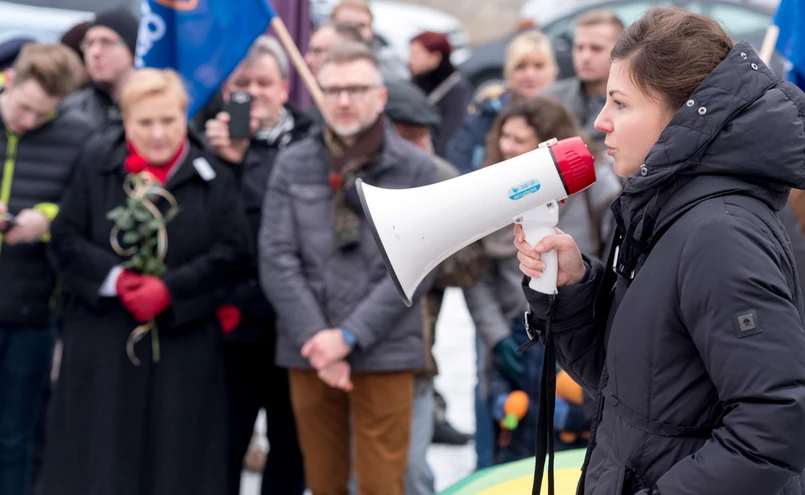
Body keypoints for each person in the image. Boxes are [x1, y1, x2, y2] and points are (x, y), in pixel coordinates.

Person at [516, 7, 805, 494]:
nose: (601, 121)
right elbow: (633, 392)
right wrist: (575, 289)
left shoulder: (721, 236)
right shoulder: (667, 213)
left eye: (620, 103)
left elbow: (775, 425)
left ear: (684, 112)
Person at [41, 68, 251, 495]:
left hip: (183, 344)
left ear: (184, 118)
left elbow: (233, 254)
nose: (158, 134)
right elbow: (65, 239)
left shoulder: (211, 175)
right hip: (103, 339)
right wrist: (115, 279)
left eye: (168, 121)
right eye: (145, 122)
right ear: (126, 121)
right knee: (100, 457)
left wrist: (171, 290)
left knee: (175, 459)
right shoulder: (98, 163)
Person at [258, 42, 435, 495]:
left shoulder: (416, 168)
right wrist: (319, 339)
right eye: (332, 89)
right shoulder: (293, 163)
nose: (342, 100)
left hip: (385, 347)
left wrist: (350, 335)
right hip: (310, 348)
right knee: (323, 482)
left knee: (382, 484)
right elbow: (276, 257)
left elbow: (418, 266)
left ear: (380, 96)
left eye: (356, 89)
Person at [465, 96, 620, 465]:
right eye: (504, 137)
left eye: (520, 140)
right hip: (512, 337)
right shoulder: (490, 186)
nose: (507, 147)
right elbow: (477, 276)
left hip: (577, 334)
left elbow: (611, 263)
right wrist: (497, 337)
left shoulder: (595, 190)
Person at [204, 35, 312, 495]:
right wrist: (226, 164)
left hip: (296, 325)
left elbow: (291, 225)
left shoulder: (311, 140)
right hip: (231, 327)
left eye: (264, 83)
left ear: (284, 88)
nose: (254, 93)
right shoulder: (205, 143)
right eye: (242, 84)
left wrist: (246, 162)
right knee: (221, 446)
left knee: (291, 448)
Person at [0, 42, 91, 495]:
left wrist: (48, 219)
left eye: (43, 114)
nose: (29, 121)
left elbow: (83, 208)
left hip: (32, 308)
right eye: (24, 108)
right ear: (9, 81)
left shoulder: (78, 136)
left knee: (15, 438)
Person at [541, 10, 624, 146]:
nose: (585, 57)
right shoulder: (550, 100)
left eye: (596, 48)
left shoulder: (633, 104)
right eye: (579, 48)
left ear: (621, 51)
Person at [61, 7, 138, 130]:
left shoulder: (154, 107)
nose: (95, 52)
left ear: (132, 49)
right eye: (89, 43)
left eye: (107, 42)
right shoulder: (71, 108)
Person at [408, 31, 471, 158]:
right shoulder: (415, 83)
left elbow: (450, 136)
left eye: (415, 55)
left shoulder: (455, 89)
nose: (409, 61)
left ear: (435, 57)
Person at [330, 0, 409, 82]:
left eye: (361, 25)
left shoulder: (389, 63)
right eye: (347, 25)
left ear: (371, 30)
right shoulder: (321, 60)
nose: (355, 31)